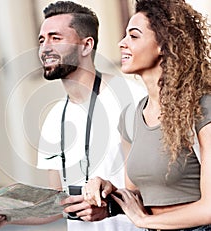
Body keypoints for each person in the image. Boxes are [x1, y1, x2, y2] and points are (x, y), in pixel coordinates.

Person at [0, 1, 145, 230]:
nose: (45, 48)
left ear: (86, 46)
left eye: (56, 38)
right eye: (42, 40)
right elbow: (58, 203)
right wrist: (5, 214)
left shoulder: (131, 98)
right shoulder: (54, 119)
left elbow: (156, 189)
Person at [83, 0, 211, 230]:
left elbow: (209, 207)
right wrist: (107, 192)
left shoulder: (202, 107)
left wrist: (145, 221)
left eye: (133, 36)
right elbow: (137, 198)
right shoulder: (131, 118)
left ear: (164, 44)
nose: (122, 43)